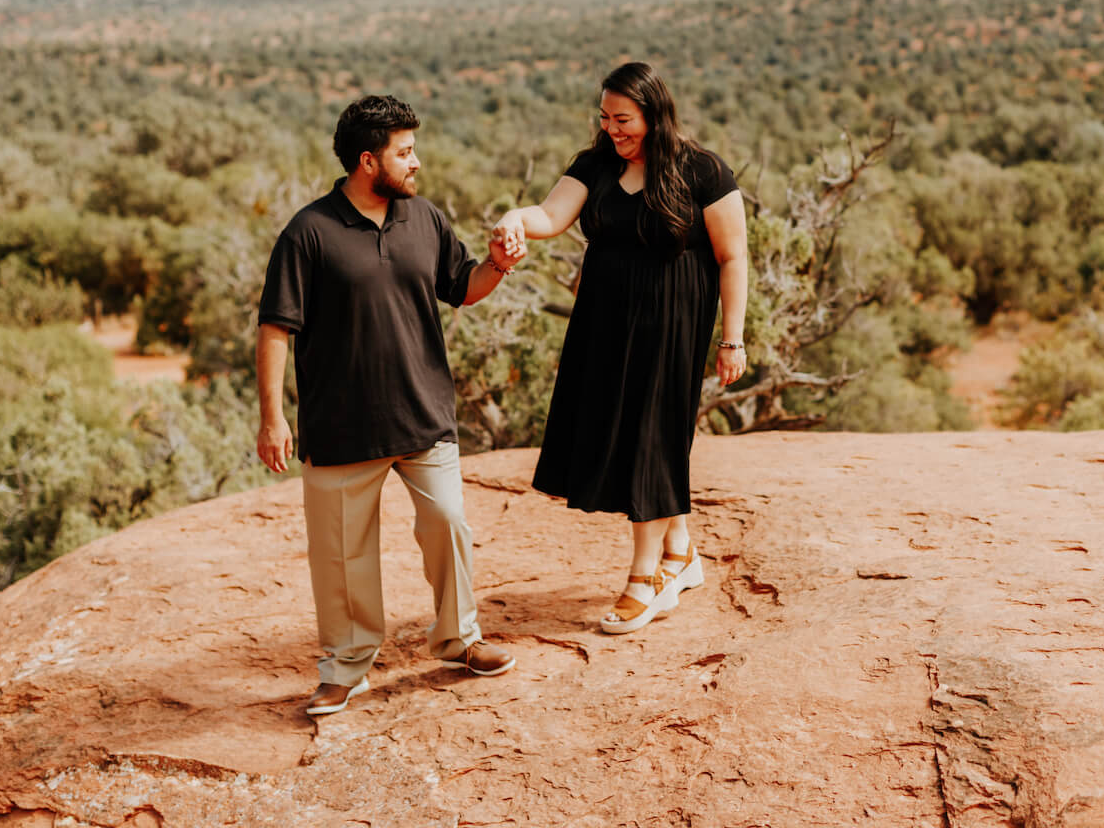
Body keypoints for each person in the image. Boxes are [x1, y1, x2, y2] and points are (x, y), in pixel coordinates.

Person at [257, 95, 521, 716]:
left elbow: (464, 287)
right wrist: (273, 417)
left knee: (449, 523)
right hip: (341, 427)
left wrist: (500, 266)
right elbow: (275, 329)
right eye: (405, 152)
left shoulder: (423, 218)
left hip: (423, 415)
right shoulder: (308, 232)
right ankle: (345, 669)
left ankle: (460, 640)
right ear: (368, 160)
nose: (417, 162)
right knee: (342, 556)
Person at [493, 62, 748, 634]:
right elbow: (552, 215)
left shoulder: (703, 171)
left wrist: (731, 338)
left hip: (671, 325)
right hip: (603, 324)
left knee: (651, 438)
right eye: (605, 118)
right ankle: (680, 552)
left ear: (655, 114)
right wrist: (516, 219)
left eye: (624, 119)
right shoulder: (594, 165)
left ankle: (645, 580)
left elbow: (733, 258)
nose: (613, 129)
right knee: (632, 431)